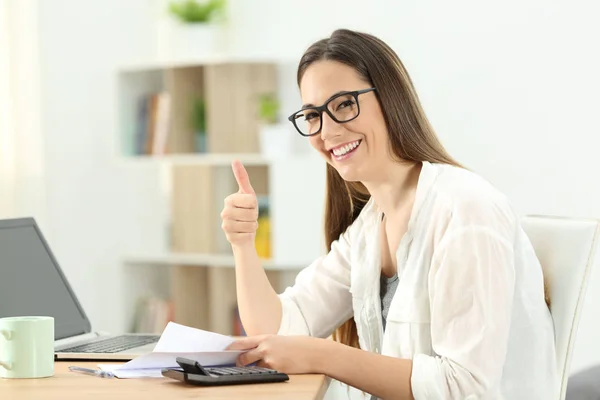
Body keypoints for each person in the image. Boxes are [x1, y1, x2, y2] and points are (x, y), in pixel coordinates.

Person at [221, 29, 558, 399]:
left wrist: (326, 355)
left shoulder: (464, 208)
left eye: (344, 104)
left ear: (390, 98)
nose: (327, 130)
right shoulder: (370, 227)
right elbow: (281, 329)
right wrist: (242, 243)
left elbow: (465, 388)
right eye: (312, 114)